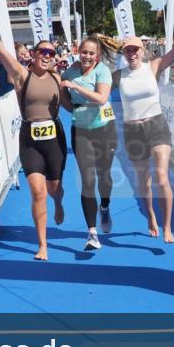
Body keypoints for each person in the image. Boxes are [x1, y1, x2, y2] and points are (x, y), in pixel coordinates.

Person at [0, 13, 66, 260]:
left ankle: (58, 202)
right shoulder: (21, 75)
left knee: (54, 190)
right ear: (34, 54)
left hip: (54, 139)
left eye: (51, 53)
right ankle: (43, 245)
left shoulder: (57, 78)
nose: (47, 56)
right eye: (43, 52)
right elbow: (2, 51)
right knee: (37, 191)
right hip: (30, 140)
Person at [113, 19, 174, 244]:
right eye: (128, 50)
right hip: (133, 130)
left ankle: (167, 227)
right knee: (144, 182)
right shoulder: (118, 76)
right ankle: (150, 214)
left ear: (142, 51)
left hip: (156, 126)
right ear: (124, 53)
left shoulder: (154, 66)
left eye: (135, 49)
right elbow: (97, 85)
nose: (132, 54)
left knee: (161, 176)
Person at [59, 36, 117, 251]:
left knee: (104, 177)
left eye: (92, 53)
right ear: (78, 51)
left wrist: (75, 86)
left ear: (97, 55)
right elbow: (64, 97)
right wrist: (72, 105)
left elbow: (101, 98)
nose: (87, 56)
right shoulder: (70, 72)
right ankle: (92, 233)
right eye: (84, 52)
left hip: (105, 129)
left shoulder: (102, 71)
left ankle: (105, 206)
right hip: (81, 130)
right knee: (87, 180)